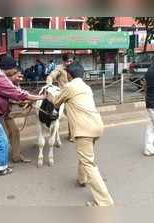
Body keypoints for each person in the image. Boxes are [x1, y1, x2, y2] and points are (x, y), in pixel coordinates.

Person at [46, 62, 114, 206]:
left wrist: (48, 96)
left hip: (84, 129)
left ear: (69, 75)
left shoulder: (69, 86)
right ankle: (82, 179)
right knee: (85, 156)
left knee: (88, 162)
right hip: (97, 126)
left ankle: (104, 202)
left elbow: (56, 102)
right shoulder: (86, 87)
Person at [1, 70, 31, 163]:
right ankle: (1, 163)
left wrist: (27, 102)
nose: (20, 79)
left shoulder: (16, 85)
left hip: (6, 114)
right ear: (12, 75)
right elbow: (12, 99)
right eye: (18, 77)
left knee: (15, 131)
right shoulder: (4, 83)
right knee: (2, 137)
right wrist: (24, 101)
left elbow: (20, 99)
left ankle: (16, 156)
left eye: (21, 77)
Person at [46, 53, 75, 142]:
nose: (69, 63)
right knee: (68, 116)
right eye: (67, 61)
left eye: (71, 61)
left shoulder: (74, 67)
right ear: (64, 61)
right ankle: (56, 135)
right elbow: (51, 76)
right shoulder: (59, 69)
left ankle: (72, 135)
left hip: (73, 94)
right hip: (64, 96)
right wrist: (49, 85)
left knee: (73, 116)